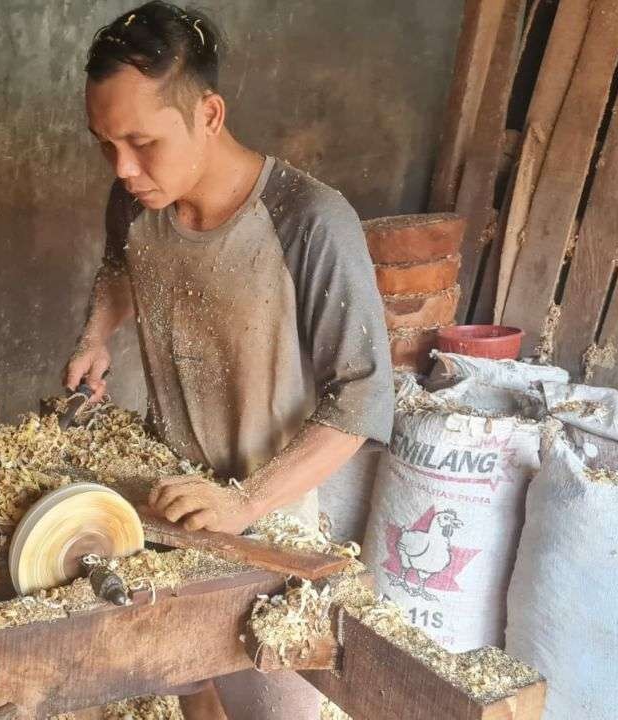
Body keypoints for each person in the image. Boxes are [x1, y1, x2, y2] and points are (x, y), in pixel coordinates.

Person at [64, 3, 395, 718]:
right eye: (105, 144)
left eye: (142, 142)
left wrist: (245, 505)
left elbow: (362, 399)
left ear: (209, 115)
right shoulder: (136, 203)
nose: (122, 168)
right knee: (190, 688)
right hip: (168, 501)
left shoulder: (308, 220)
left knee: (267, 703)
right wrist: (97, 334)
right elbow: (119, 269)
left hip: (272, 526)